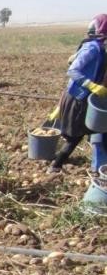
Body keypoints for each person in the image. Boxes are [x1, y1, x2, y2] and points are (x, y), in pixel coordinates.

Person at [47, 14, 107, 174]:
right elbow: (73, 70)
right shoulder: (92, 48)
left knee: (97, 131)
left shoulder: (99, 48)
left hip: (84, 98)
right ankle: (55, 166)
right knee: (77, 136)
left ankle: (98, 167)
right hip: (78, 98)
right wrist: (92, 86)